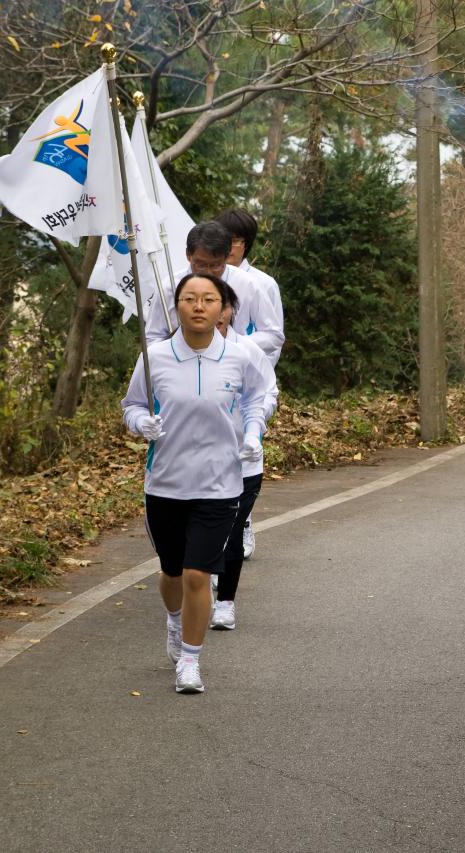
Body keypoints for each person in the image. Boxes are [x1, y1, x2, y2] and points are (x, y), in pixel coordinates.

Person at [123, 272, 269, 694]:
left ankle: (190, 659)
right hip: (165, 484)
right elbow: (131, 405)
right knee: (171, 571)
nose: (199, 306)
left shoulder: (240, 356)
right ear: (178, 307)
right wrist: (141, 423)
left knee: (196, 575)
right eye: (190, 298)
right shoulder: (155, 357)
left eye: (209, 299)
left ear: (223, 308)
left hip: (221, 485)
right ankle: (174, 621)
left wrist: (254, 433)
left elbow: (256, 398)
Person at [215, 208, 287, 561]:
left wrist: (235, 348)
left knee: (244, 455)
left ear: (246, 244)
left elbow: (274, 335)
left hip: (248, 385)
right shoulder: (201, 283)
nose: (228, 247)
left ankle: (241, 521)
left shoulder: (261, 283)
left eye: (235, 241)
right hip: (208, 381)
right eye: (223, 239)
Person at [209, 298, 279, 631]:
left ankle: (225, 602)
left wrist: (255, 428)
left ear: (230, 315)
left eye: (219, 315)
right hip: (200, 464)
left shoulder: (248, 352)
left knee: (232, 530)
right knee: (206, 532)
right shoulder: (179, 357)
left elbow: (268, 392)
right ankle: (203, 575)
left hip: (244, 462)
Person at [145, 221, 285, 367]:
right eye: (200, 264)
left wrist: (231, 344)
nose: (207, 272)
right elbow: (153, 337)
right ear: (188, 255)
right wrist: (176, 351)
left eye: (215, 265)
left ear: (226, 257)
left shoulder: (248, 284)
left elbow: (273, 335)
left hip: (234, 372)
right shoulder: (169, 287)